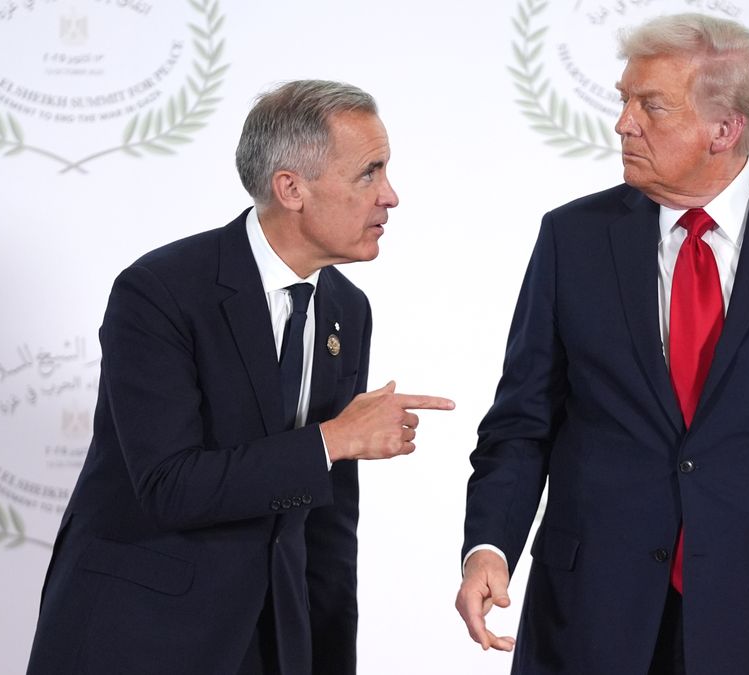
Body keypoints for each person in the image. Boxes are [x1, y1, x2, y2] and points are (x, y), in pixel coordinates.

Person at [456, 14, 749, 675]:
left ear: (724, 129)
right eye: (624, 99)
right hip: (591, 622)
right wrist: (488, 546)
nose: (623, 123)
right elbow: (522, 424)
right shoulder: (572, 240)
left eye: (651, 106)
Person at [26, 80, 454, 675]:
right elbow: (169, 484)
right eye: (369, 173)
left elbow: (328, 525)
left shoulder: (347, 309)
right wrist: (332, 440)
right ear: (291, 188)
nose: (391, 196)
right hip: (138, 636)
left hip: (272, 645)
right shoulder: (160, 292)